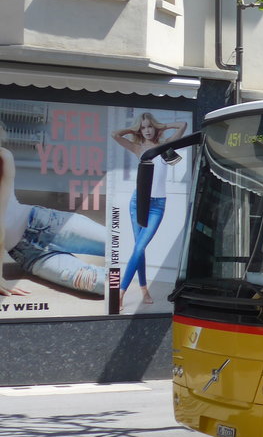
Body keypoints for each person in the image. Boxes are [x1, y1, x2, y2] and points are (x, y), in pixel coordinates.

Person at [0, 120, 107, 298]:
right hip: (30, 255)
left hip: (47, 223)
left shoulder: (3, 156)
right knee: (105, 285)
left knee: (128, 248)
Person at [112, 112, 187, 308]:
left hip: (157, 205)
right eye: (143, 127)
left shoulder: (164, 147)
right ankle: (134, 291)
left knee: (139, 247)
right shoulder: (138, 148)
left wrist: (163, 126)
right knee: (140, 248)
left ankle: (124, 290)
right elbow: (115, 135)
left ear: (155, 127)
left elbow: (183, 125)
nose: (146, 130)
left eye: (149, 126)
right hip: (138, 202)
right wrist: (132, 129)